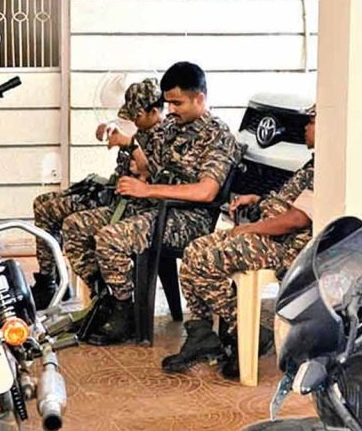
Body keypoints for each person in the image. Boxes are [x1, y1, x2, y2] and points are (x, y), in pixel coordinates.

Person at [63, 61, 239, 345]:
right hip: (150, 207)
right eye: (168, 103)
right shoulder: (171, 127)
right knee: (75, 226)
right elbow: (149, 164)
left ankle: (125, 313)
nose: (171, 109)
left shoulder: (217, 135)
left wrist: (147, 190)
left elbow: (206, 191)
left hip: (186, 218)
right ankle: (107, 299)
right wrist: (133, 157)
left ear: (199, 98)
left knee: (110, 238)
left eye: (177, 103)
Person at [161, 105, 316, 378]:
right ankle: (201, 333)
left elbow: (296, 220)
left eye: (312, 122)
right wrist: (257, 201)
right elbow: (288, 204)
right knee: (194, 249)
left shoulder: (328, 169)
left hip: (283, 246)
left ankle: (248, 333)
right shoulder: (314, 163)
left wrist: (250, 229)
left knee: (205, 261)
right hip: (268, 235)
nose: (306, 126)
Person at [31, 78, 164, 309]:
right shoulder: (142, 130)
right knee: (43, 204)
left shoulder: (163, 136)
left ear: (154, 111)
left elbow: (151, 174)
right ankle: (49, 279)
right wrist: (109, 130)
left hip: (129, 204)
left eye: (137, 115)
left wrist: (130, 146)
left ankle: (104, 294)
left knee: (68, 221)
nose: (133, 120)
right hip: (112, 192)